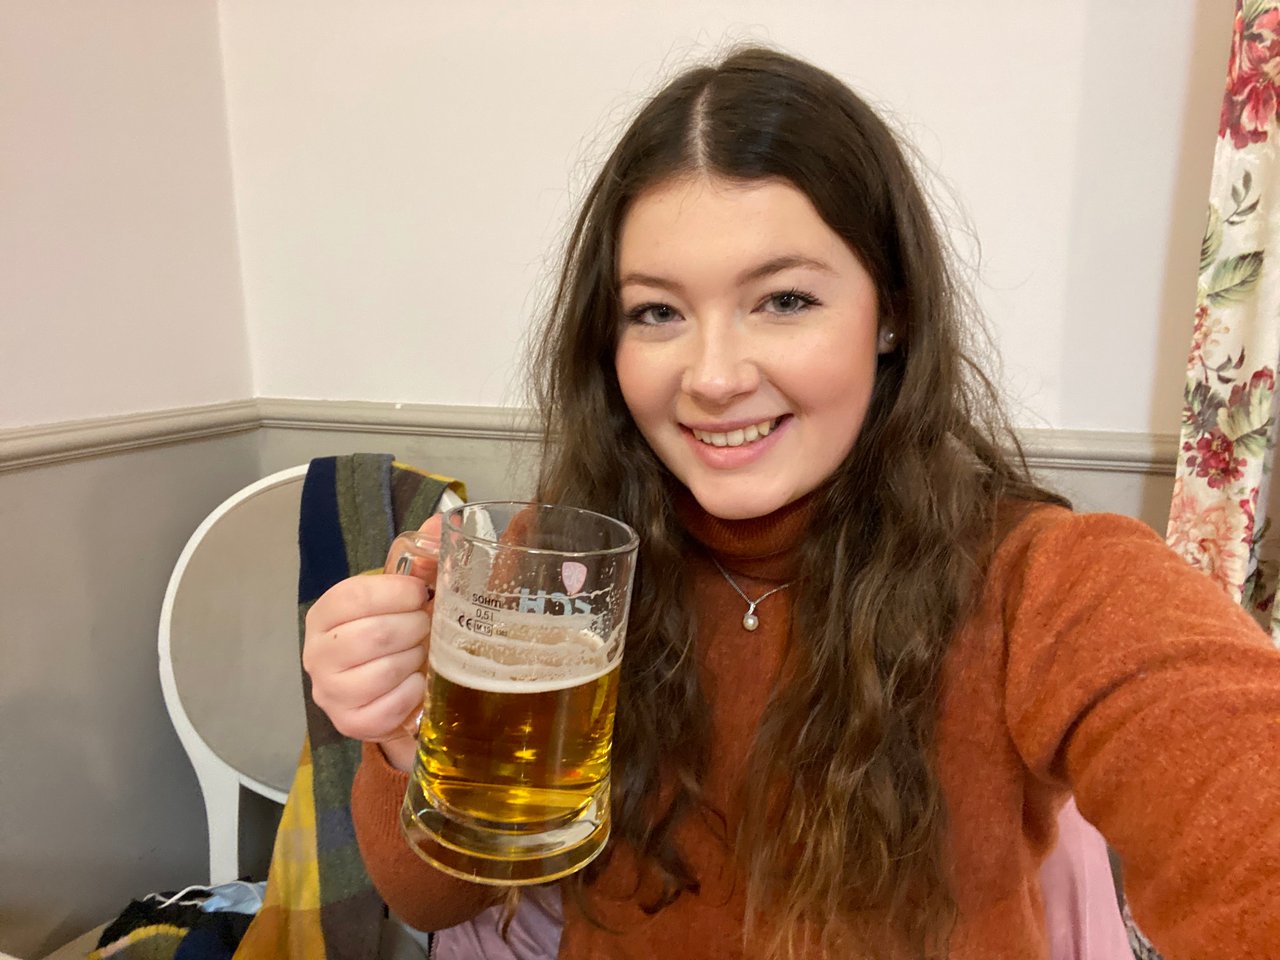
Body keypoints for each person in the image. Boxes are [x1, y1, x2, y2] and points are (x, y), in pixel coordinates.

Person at [300, 47, 1280, 959]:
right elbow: (440, 900)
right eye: (656, 313)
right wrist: (400, 732)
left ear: (889, 311)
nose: (713, 376)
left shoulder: (1042, 582)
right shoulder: (558, 571)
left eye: (782, 300)